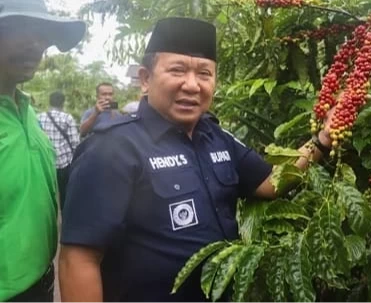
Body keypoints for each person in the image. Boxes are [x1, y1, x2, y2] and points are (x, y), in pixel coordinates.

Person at [59, 17, 333, 303]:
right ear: (145, 78)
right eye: (177, 70)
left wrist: (322, 140)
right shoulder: (112, 147)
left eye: (204, 74)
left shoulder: (216, 136)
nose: (192, 85)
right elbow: (78, 259)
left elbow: (270, 183)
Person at [0, 0, 85, 302]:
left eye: (41, 32)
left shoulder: (26, 111)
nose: (36, 43)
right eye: (17, 29)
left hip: (40, 283)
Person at [38, 91, 80, 210]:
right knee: (65, 193)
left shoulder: (39, 117)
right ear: (63, 102)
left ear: (50, 102)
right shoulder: (67, 118)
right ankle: (64, 217)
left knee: (48, 192)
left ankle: (50, 215)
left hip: (45, 162)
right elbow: (75, 142)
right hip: (64, 163)